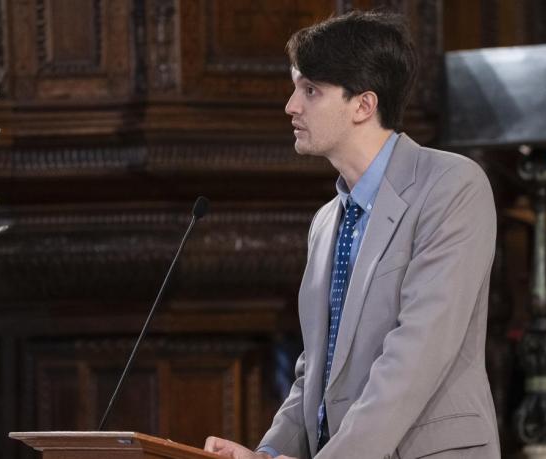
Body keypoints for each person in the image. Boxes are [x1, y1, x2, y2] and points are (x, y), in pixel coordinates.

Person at [204, 9, 500, 459]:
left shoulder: (453, 185)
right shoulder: (326, 221)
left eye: (310, 90)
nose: (291, 106)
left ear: (364, 104)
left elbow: (416, 356)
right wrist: (264, 455)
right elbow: (314, 373)